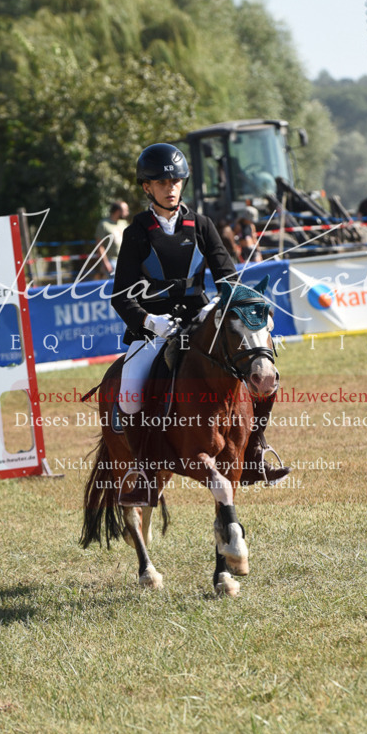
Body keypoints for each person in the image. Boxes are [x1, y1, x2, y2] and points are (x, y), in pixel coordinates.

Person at [111, 142, 289, 504]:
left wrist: (250, 307)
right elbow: (121, 296)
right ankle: (144, 473)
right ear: (147, 187)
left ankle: (255, 451)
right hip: (154, 328)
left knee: (262, 371)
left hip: (199, 318)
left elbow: (228, 278)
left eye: (176, 181)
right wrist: (149, 321)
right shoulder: (136, 232)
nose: (170, 188)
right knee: (129, 395)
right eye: (162, 183)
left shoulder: (202, 225)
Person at [93, 200, 129, 276]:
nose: (127, 213)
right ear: (118, 211)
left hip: (125, 260)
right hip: (112, 261)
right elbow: (99, 245)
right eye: (125, 210)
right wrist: (106, 262)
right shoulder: (104, 224)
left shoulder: (124, 223)